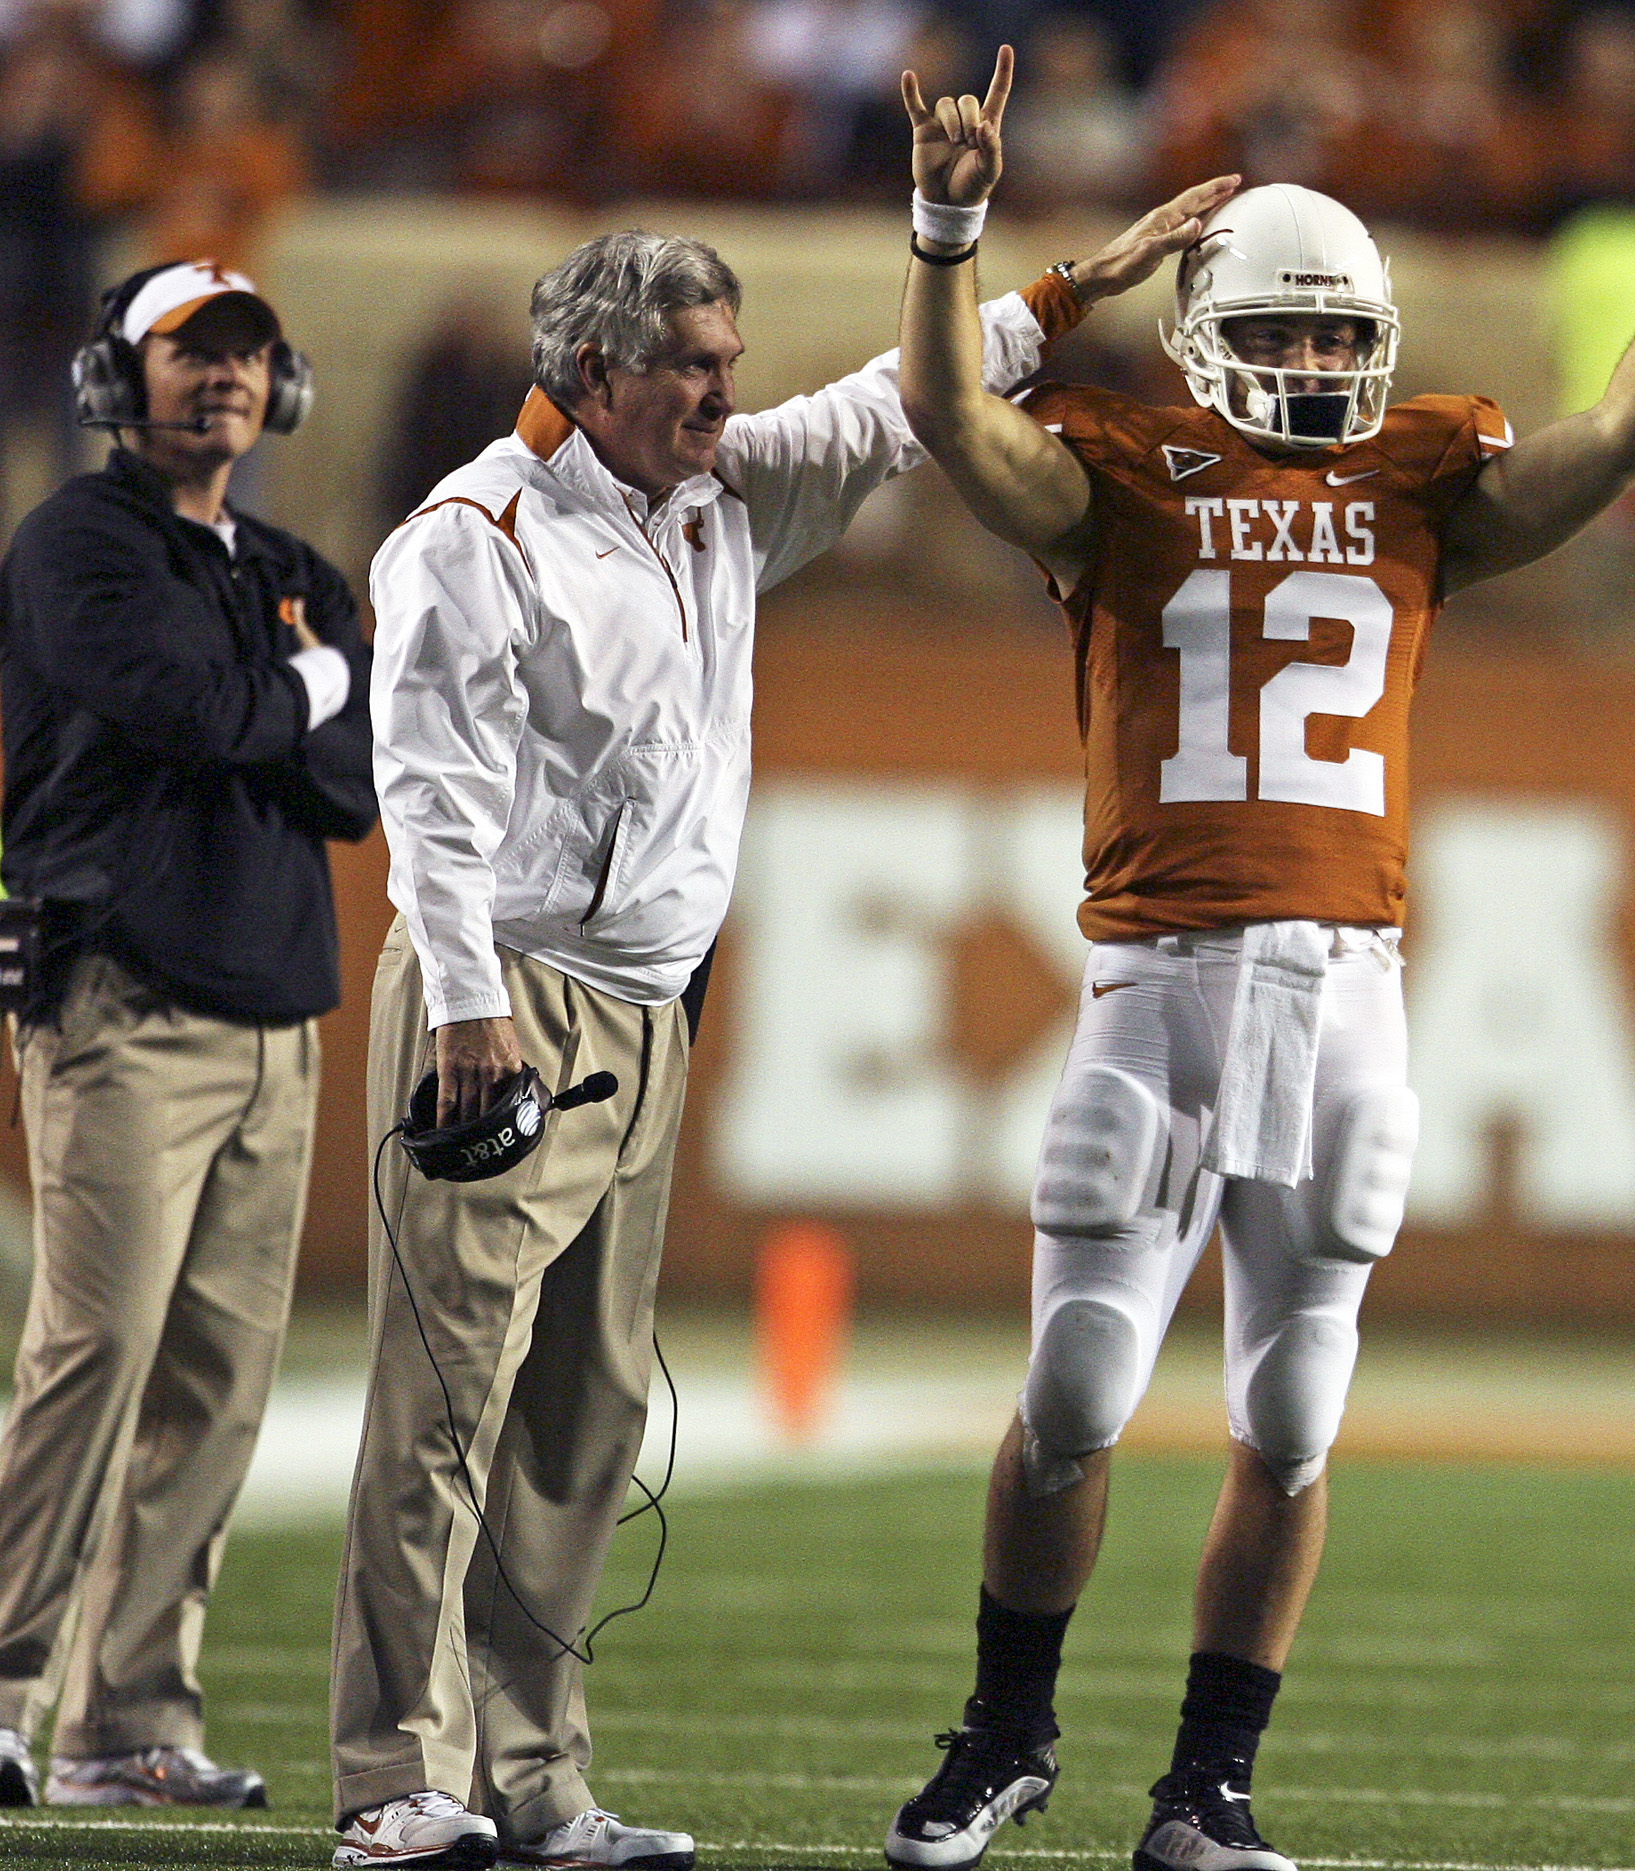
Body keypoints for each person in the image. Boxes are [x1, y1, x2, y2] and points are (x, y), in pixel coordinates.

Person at [884, 47, 1635, 1871]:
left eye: (1329, 337)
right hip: (1156, 985)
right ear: (1212, 330)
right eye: (1278, 334)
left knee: (1292, 1417)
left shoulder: (1423, 472)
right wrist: (953, 236)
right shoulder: (1121, 470)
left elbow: (1626, 441)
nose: (1308, 367)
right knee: (1072, 1399)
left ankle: (1207, 1790)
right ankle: (1005, 1732)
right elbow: (955, 429)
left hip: (1346, 990)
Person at [334, 201, 1234, 1870]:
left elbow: (901, 403)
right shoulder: (477, 532)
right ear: (591, 369)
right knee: (443, 1406)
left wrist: (1041, 283)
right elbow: (433, 802)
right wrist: (460, 1003)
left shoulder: (714, 502)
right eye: (690, 365)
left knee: (584, 1419)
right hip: (506, 1000)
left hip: (646, 1009)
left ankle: (532, 1783)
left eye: (730, 364)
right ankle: (395, 1776)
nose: (722, 396)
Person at [0, 259, 374, 1809]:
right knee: (93, 1358)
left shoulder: (292, 562)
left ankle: (124, 1717)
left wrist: (278, 694)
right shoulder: (77, 541)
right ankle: (8, 1690)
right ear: (118, 377)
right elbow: (196, 715)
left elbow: (348, 788)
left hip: (275, 1016)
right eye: (186, 353)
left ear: (277, 385)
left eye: (244, 354)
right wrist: (307, 683)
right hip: (125, 1006)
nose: (220, 377)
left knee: (217, 1384)